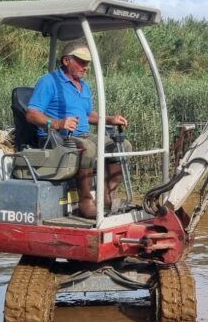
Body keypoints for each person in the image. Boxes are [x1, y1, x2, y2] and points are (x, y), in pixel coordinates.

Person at [25, 42, 130, 219]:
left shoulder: (83, 86)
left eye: (87, 63)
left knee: (121, 145)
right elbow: (31, 114)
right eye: (81, 62)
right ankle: (85, 201)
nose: (86, 67)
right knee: (87, 147)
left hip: (82, 134)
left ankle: (108, 195)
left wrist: (110, 119)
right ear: (66, 60)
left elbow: (88, 114)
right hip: (56, 139)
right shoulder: (49, 82)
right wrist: (58, 123)